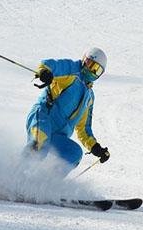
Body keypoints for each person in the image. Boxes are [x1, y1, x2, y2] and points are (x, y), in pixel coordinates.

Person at [25, 47, 110, 176]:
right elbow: (49, 64)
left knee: (74, 153)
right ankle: (16, 175)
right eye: (89, 63)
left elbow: (84, 129)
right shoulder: (72, 70)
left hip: (58, 135)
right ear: (83, 60)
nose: (90, 70)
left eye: (96, 70)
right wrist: (45, 72)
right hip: (42, 117)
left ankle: (46, 184)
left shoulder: (89, 98)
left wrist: (95, 148)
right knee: (40, 141)